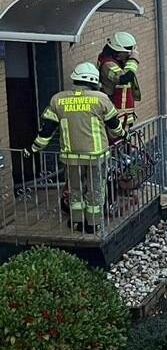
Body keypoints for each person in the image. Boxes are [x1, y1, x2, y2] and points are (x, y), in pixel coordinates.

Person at [30, 62, 124, 232]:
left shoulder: (58, 99)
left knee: (75, 190)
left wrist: (33, 149)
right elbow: (115, 127)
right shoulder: (101, 99)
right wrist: (123, 134)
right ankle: (93, 224)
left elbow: (47, 131)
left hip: (71, 156)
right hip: (96, 156)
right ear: (94, 81)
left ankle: (77, 222)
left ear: (75, 78)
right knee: (96, 189)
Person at [97, 31, 141, 127]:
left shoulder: (116, 61)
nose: (129, 55)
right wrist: (133, 60)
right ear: (117, 51)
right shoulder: (108, 65)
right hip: (117, 114)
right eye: (126, 53)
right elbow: (125, 78)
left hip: (122, 115)